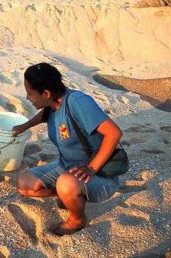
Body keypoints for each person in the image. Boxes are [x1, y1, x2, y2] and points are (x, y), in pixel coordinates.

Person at [12, 63, 123, 236]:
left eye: (30, 93)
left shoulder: (78, 102)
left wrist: (91, 168)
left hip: (98, 174)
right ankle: (70, 196)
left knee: (66, 183)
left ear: (46, 93)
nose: (27, 97)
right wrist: (24, 126)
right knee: (24, 183)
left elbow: (114, 133)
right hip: (67, 166)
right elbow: (46, 113)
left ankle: (77, 219)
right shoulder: (52, 102)